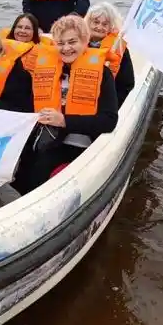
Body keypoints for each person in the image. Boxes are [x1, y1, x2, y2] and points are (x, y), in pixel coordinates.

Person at [12, 15, 118, 195]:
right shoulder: (47, 69)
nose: (66, 48)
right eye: (60, 43)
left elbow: (109, 121)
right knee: (20, 177)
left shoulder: (103, 73)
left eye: (72, 42)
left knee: (40, 179)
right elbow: (24, 105)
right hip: (46, 141)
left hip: (80, 146)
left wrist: (64, 120)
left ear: (85, 41)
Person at [85, 2, 135, 107]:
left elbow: (127, 83)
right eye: (96, 22)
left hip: (106, 103)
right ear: (88, 22)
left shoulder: (118, 48)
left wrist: (112, 105)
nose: (99, 27)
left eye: (104, 24)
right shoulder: (77, 44)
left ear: (110, 27)